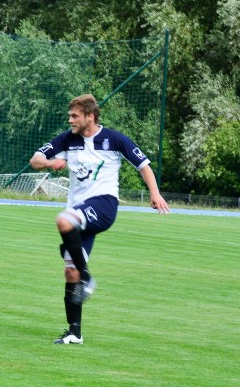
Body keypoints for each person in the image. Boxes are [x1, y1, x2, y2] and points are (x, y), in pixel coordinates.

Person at [30, 94, 170, 344]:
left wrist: (155, 193)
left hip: (103, 204)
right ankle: (75, 333)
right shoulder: (67, 139)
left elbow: (143, 165)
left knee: (64, 222)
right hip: (79, 211)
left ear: (90, 116)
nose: (70, 119)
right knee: (70, 272)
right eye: (70, 115)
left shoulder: (114, 139)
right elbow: (35, 160)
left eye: (75, 116)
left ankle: (88, 277)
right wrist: (52, 163)